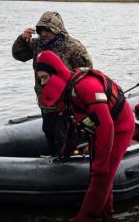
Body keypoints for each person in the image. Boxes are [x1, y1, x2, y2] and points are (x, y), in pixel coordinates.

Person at [36, 50, 135, 222]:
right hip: (98, 128)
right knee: (100, 176)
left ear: (55, 73)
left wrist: (100, 165)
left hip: (119, 128)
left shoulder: (86, 87)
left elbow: (106, 127)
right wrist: (67, 150)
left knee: (100, 176)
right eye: (39, 79)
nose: (42, 83)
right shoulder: (68, 92)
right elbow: (74, 123)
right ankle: (108, 214)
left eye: (44, 77)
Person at [12, 11, 92, 156]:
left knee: (63, 137)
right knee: (48, 132)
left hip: (66, 103)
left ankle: (68, 160)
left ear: (57, 30)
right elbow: (19, 55)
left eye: (48, 30)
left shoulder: (73, 47)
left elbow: (87, 71)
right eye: (41, 30)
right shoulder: (36, 45)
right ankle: (56, 158)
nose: (43, 33)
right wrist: (22, 40)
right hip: (45, 102)